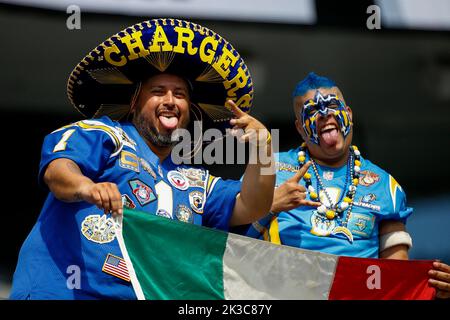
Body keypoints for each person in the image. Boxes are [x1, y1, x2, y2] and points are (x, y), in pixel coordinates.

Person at [10, 18, 275, 299]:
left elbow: (253, 205)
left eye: (180, 94)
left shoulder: (197, 181)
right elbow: (58, 171)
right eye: (158, 91)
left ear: (190, 109)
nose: (170, 100)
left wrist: (264, 150)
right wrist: (87, 188)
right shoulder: (105, 134)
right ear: (135, 102)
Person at [244, 72, 450, 299]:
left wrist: (433, 288)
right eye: (312, 112)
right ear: (300, 128)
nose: (325, 115)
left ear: (349, 114)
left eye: (332, 105)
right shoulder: (268, 168)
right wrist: (270, 206)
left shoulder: (385, 186)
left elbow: (396, 279)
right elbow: (231, 242)